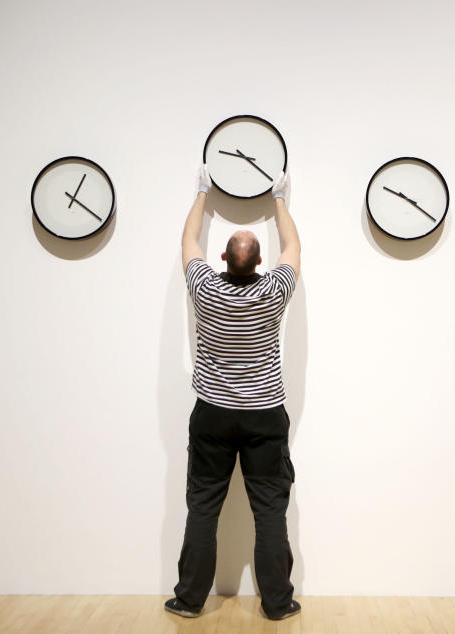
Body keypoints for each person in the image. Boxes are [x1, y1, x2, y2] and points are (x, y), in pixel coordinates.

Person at [165, 165, 302, 621]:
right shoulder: (274, 290)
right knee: (269, 512)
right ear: (259, 264)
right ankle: (278, 605)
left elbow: (188, 243)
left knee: (203, 507)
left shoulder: (204, 288)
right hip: (265, 415)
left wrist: (202, 192)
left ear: (222, 259)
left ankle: (188, 601)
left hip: (214, 415)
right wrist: (279, 198)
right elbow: (293, 247)